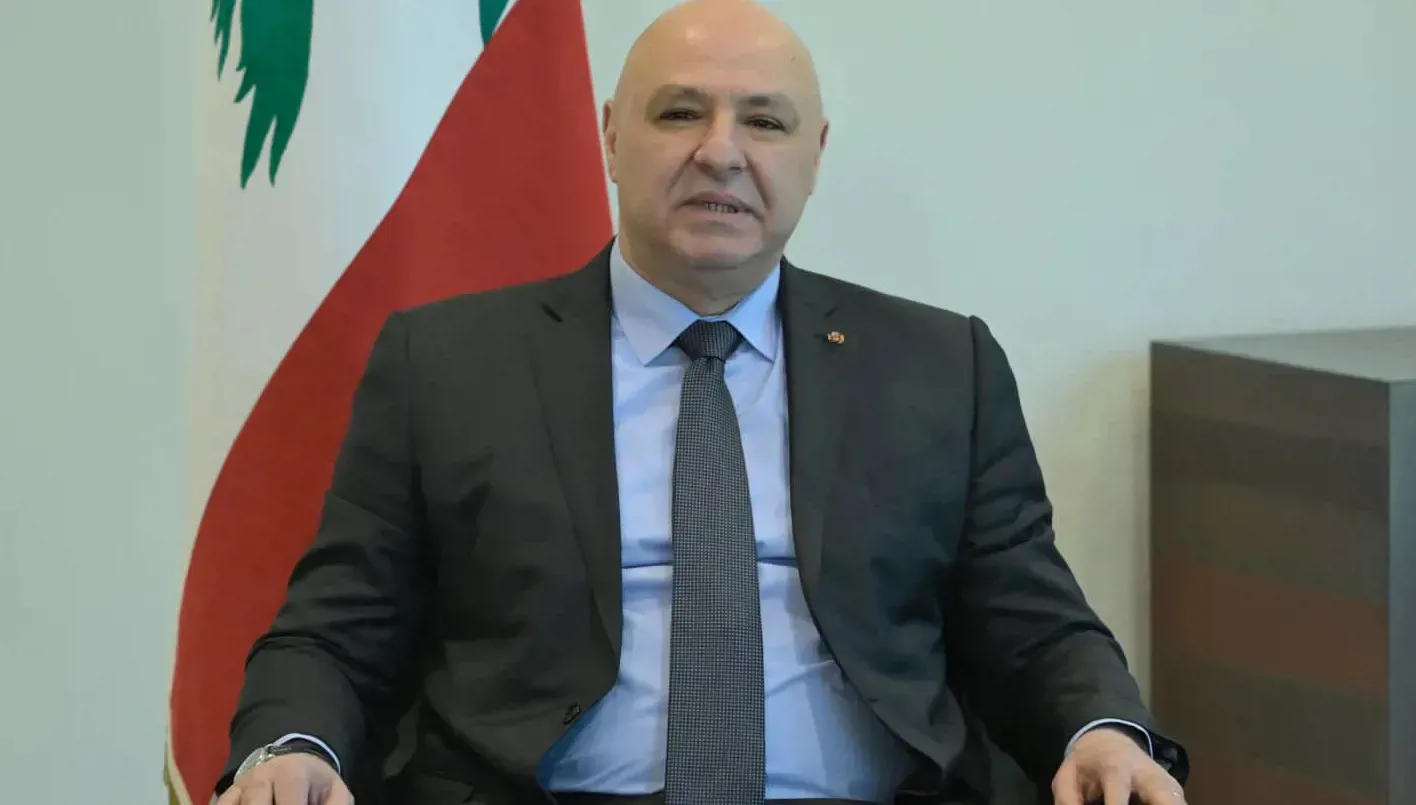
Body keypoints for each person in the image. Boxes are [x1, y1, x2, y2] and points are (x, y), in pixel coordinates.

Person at [214, 1, 1190, 804]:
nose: (721, 153)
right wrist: (290, 749)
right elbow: (336, 633)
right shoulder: (449, 363)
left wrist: (1101, 729)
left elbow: (1034, 626)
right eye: (679, 113)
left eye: (764, 122)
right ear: (610, 135)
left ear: (815, 152)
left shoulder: (941, 366)